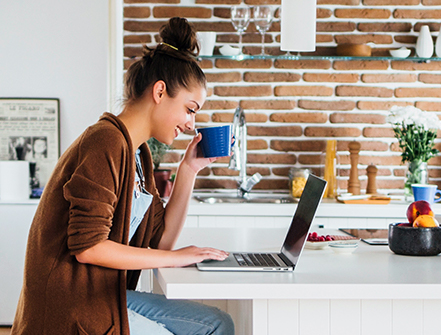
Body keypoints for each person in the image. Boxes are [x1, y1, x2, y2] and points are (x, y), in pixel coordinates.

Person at [12, 17, 234, 335]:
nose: (190, 124)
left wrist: (189, 170)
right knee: (212, 328)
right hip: (71, 308)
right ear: (160, 91)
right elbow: (88, 246)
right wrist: (177, 259)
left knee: (217, 323)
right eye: (190, 108)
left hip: (102, 296)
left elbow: (161, 241)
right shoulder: (105, 142)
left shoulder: (137, 153)